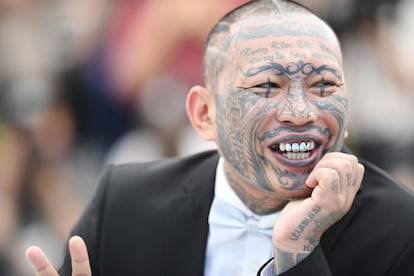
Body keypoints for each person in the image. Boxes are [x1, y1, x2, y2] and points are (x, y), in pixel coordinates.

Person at [25, 0, 414, 275]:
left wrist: (297, 254)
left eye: (324, 85)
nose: (300, 112)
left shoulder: (400, 230)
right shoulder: (124, 204)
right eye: (267, 86)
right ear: (204, 114)